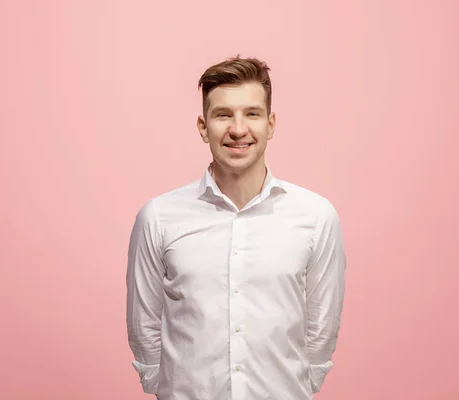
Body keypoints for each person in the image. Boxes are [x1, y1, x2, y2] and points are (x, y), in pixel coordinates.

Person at [126, 55, 346, 400]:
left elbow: (320, 330)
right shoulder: (158, 217)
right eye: (223, 114)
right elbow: (145, 325)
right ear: (203, 127)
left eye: (252, 114)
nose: (238, 129)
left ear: (271, 124)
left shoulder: (316, 217)